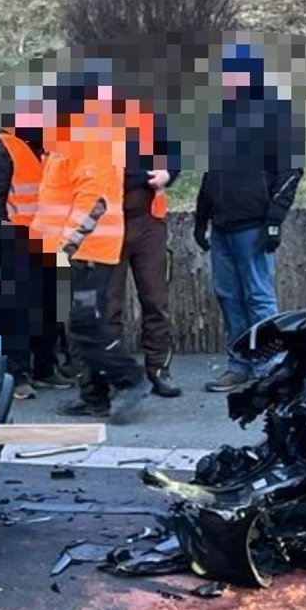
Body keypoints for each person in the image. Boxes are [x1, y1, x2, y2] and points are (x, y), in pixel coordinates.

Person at [34, 71, 147, 423]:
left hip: (87, 252)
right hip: (73, 250)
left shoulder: (90, 138)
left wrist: (66, 247)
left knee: (84, 323)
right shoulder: (71, 138)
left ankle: (130, 380)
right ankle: (94, 395)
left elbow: (93, 201)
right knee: (77, 324)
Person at [195, 43, 302, 393]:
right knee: (228, 296)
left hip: (254, 224)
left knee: (259, 298)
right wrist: (201, 217)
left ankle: (271, 366)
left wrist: (274, 219)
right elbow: (212, 173)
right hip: (222, 225)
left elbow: (290, 170)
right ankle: (239, 364)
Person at [0, 94, 72, 398]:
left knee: (49, 310)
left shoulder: (47, 148)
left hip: (48, 240)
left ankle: (46, 368)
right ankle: (19, 376)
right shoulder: (3, 148)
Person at [110, 93, 181, 398]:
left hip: (148, 220)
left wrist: (168, 172)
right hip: (108, 222)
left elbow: (175, 153)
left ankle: (159, 371)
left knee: (155, 301)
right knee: (109, 307)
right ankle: (113, 377)